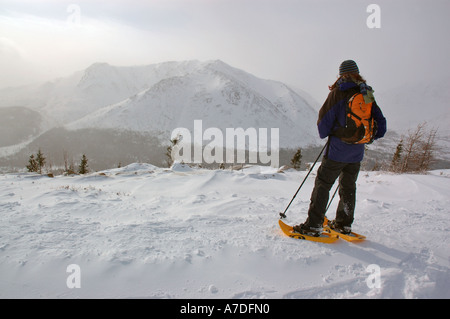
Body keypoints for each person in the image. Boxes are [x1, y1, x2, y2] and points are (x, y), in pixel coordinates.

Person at [293, 60, 386, 236]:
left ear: (341, 74)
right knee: (348, 187)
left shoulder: (338, 93)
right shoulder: (367, 93)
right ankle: (344, 224)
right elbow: (381, 124)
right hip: (357, 153)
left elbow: (323, 125)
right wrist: (368, 138)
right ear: (357, 73)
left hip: (337, 151)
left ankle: (313, 225)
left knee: (323, 185)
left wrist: (335, 132)